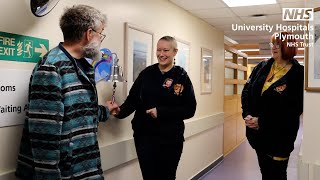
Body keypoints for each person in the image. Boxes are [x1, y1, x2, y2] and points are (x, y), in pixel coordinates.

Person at [15, 5, 119, 179]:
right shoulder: (52, 67)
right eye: (101, 34)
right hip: (65, 172)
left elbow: (78, 110)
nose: (101, 39)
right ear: (89, 34)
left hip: (85, 165)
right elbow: (43, 133)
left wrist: (105, 110)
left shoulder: (84, 66)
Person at [115, 36, 197, 180]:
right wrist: (119, 111)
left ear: (175, 52)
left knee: (167, 177)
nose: (161, 54)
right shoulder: (146, 74)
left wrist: (161, 112)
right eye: (158, 50)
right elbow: (133, 100)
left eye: (166, 50)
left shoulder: (181, 76)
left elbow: (190, 109)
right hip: (145, 137)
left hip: (171, 139)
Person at [241, 31, 303, 180]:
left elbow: (293, 109)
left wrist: (261, 121)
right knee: (265, 173)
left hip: (280, 138)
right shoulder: (262, 67)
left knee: (277, 175)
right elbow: (246, 92)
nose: (274, 47)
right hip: (258, 136)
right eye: (272, 44)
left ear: (287, 46)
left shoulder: (298, 74)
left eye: (278, 44)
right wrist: (248, 114)